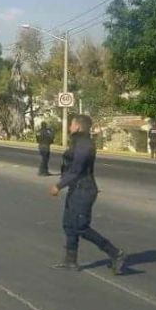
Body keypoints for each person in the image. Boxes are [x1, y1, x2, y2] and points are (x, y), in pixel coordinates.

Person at [49, 115, 125, 274]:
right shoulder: (77, 142)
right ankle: (70, 260)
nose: (69, 128)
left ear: (77, 127)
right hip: (75, 188)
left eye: (71, 125)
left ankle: (115, 253)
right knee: (69, 224)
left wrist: (58, 185)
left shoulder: (84, 144)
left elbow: (77, 169)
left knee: (80, 226)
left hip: (84, 189)